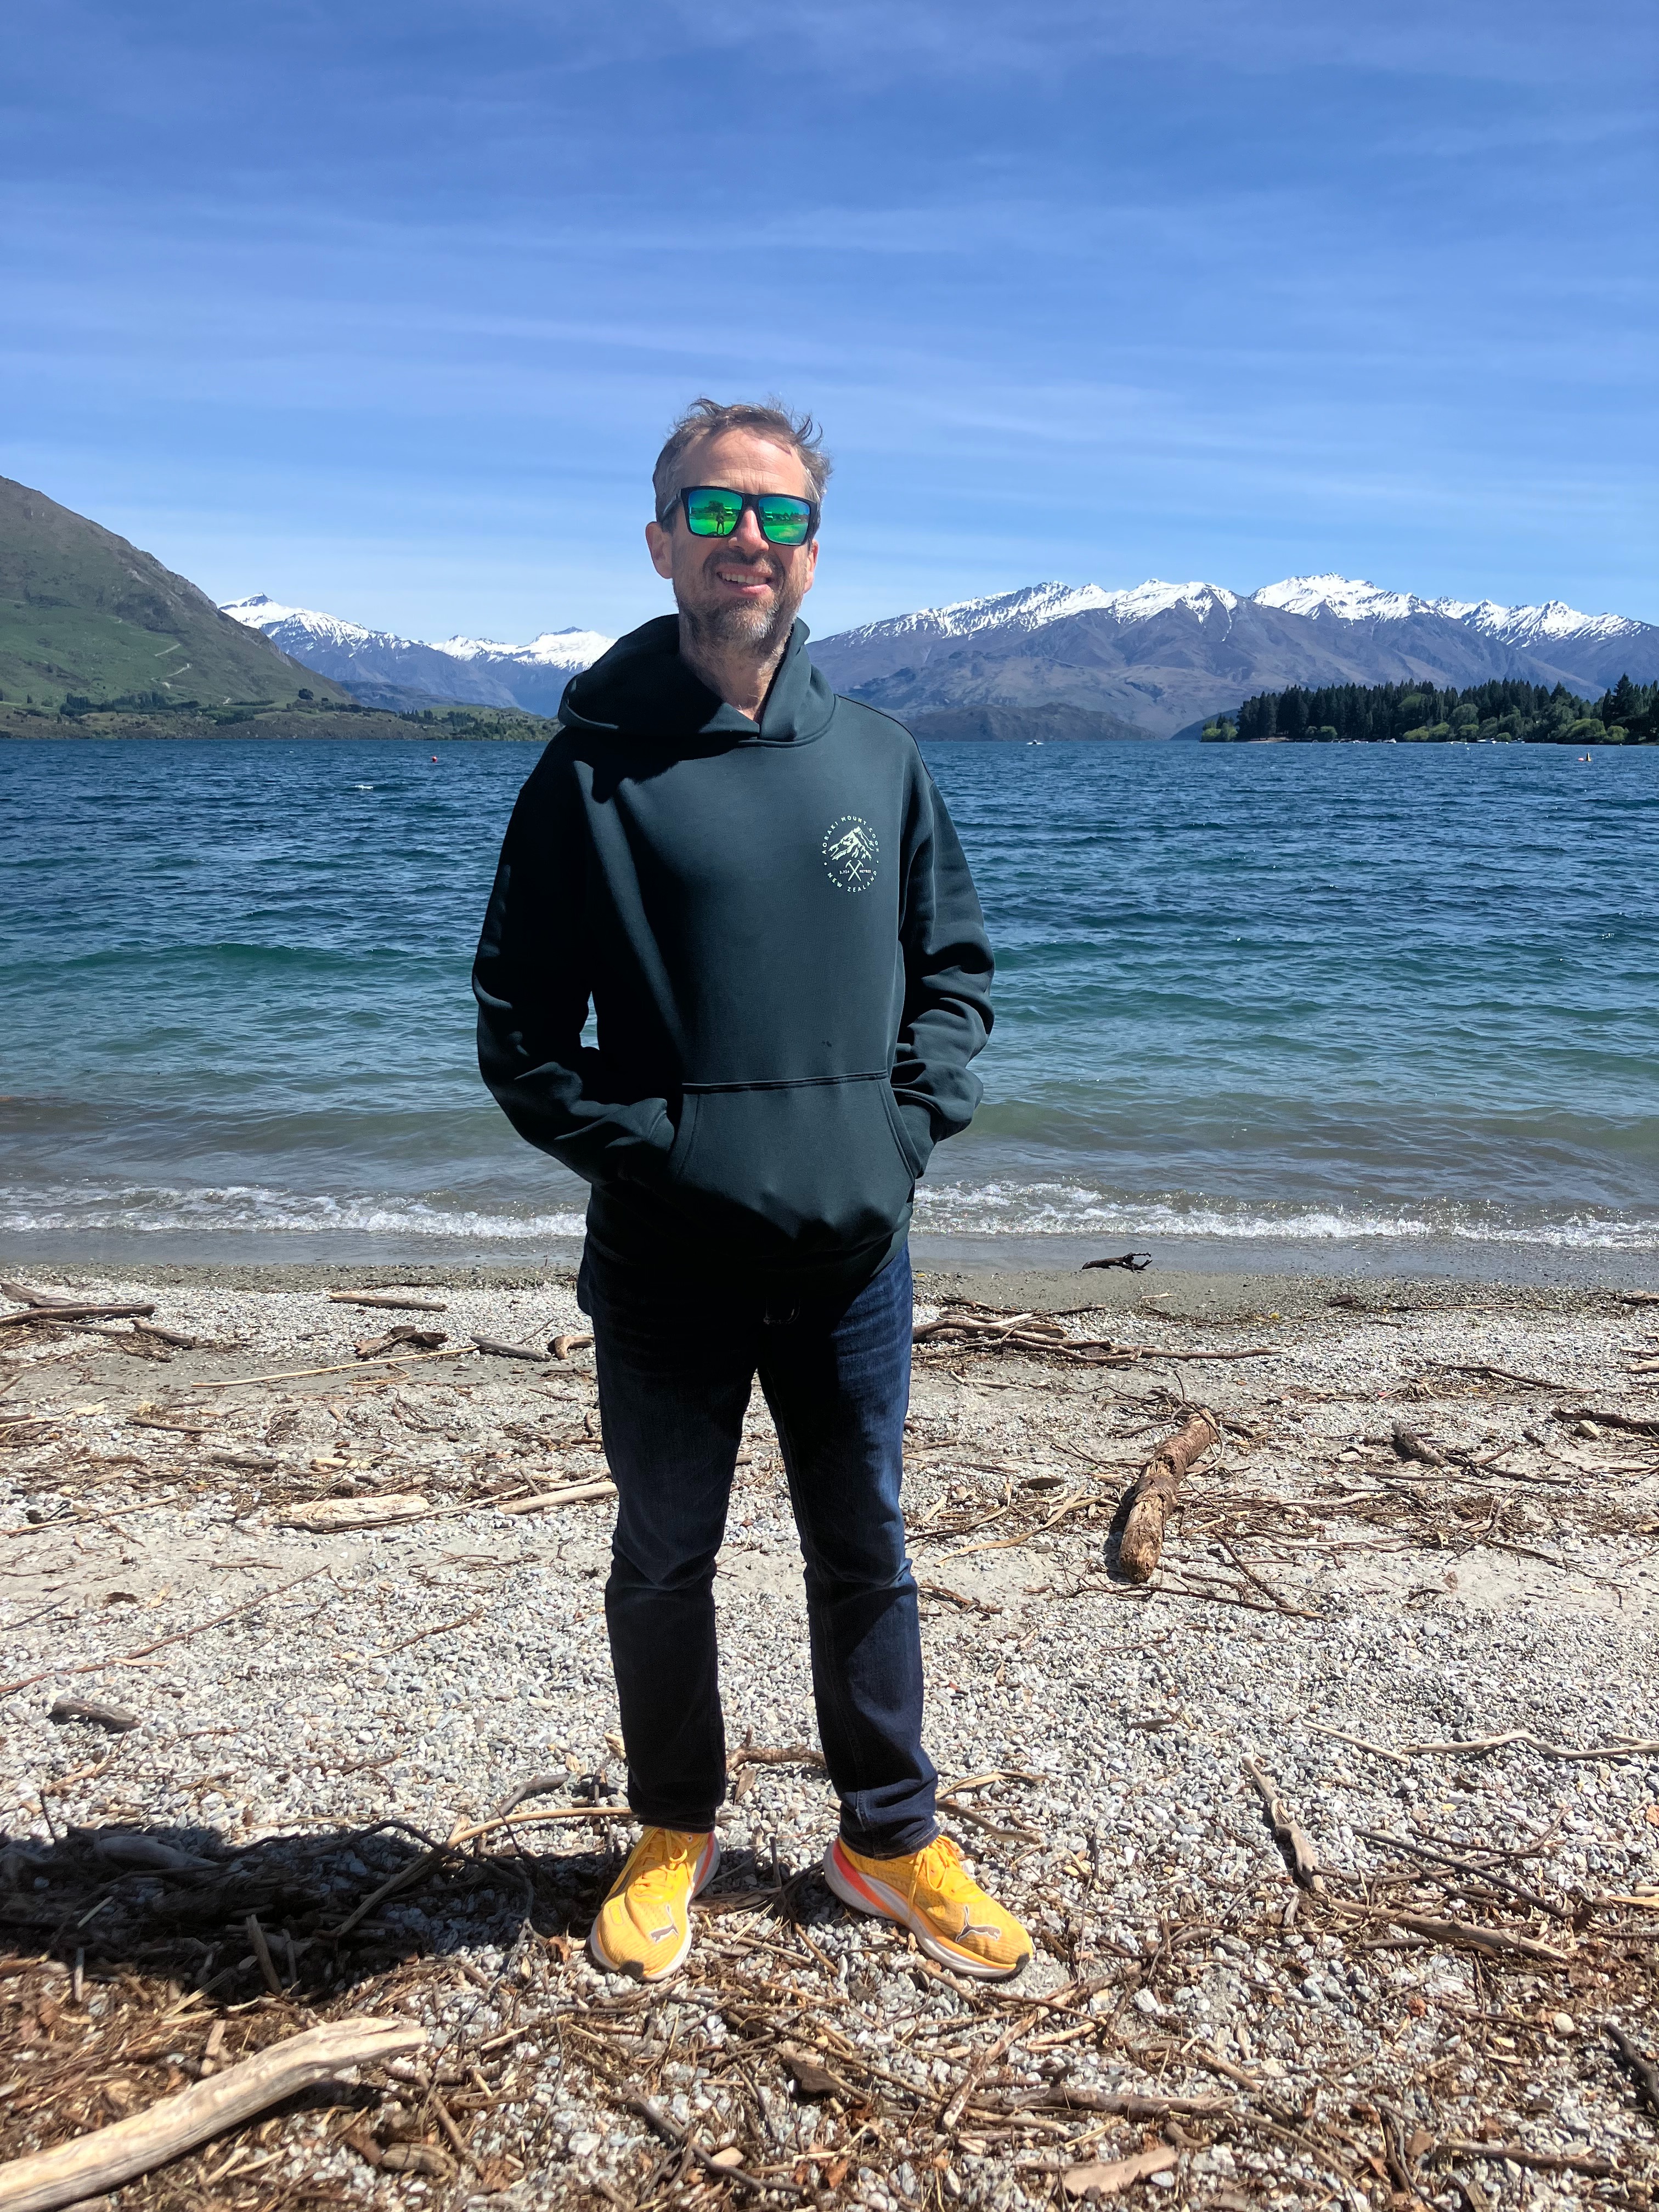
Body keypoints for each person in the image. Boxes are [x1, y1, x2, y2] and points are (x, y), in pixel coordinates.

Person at [473, 397, 1029, 1985]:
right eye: (714, 512)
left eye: (780, 517)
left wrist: (900, 1134)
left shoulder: (879, 759)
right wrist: (663, 1158)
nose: (748, 543)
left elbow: (955, 975)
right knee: (665, 1556)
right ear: (661, 543)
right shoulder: (589, 774)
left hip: (855, 1255)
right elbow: (522, 1031)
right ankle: (673, 1829)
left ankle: (889, 1837)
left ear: (813, 553)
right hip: (667, 1262)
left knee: (868, 1550)